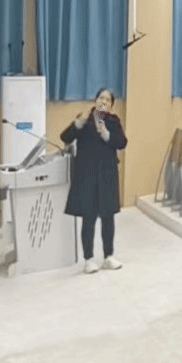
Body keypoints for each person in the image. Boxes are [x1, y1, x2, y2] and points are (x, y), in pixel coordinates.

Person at [62, 87, 127, 274]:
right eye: (101, 98)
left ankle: (108, 256)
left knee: (108, 218)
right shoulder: (85, 119)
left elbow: (122, 142)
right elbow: (65, 137)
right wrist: (76, 125)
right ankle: (89, 259)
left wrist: (107, 135)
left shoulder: (113, 121)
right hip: (87, 176)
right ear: (95, 100)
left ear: (111, 105)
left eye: (107, 100)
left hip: (107, 176)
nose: (103, 101)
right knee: (88, 218)